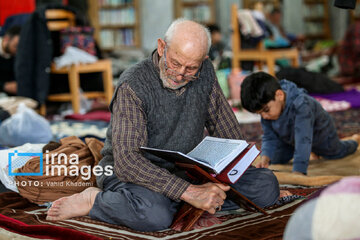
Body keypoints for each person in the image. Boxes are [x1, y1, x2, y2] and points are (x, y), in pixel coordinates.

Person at [46, 19, 280, 232]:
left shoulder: (205, 72)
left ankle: (184, 201)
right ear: (161, 47)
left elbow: (224, 126)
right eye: (175, 63)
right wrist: (188, 192)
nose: (179, 74)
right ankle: (95, 200)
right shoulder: (133, 83)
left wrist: (234, 168)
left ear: (204, 61)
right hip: (136, 175)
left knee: (266, 186)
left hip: (189, 170)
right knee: (153, 215)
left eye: (190, 68)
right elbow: (128, 163)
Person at [240, 72, 360, 175]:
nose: (264, 116)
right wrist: (265, 158)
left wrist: (298, 171)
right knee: (275, 158)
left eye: (266, 110)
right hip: (291, 139)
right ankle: (307, 151)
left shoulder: (302, 104)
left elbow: (303, 139)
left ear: (279, 95)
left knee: (337, 152)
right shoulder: (269, 109)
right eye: (259, 114)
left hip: (322, 137)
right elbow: (269, 136)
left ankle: (354, 140)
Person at [0, 25, 21, 95]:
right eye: (16, 46)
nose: (18, 51)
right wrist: (3, 86)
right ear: (6, 39)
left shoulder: (15, 55)